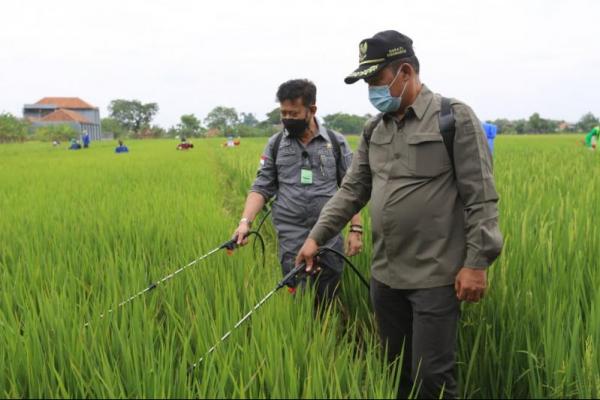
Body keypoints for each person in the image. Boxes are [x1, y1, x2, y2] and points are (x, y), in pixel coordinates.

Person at [295, 31, 504, 399]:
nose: (372, 90)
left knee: (432, 378)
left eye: (375, 80)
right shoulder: (375, 128)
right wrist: (315, 237)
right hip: (386, 276)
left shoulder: (452, 118)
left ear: (404, 71)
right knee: (395, 371)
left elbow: (481, 197)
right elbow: (352, 190)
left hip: (435, 276)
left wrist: (477, 263)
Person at [233, 79, 363, 308]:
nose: (287, 119)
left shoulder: (335, 142)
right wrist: (245, 222)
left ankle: (328, 333)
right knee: (297, 294)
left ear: (312, 110)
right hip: (291, 234)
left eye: (294, 113)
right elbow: (261, 186)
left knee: (328, 293)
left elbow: (352, 187)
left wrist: (356, 228)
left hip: (328, 233)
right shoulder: (275, 145)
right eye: (283, 113)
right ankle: (304, 334)